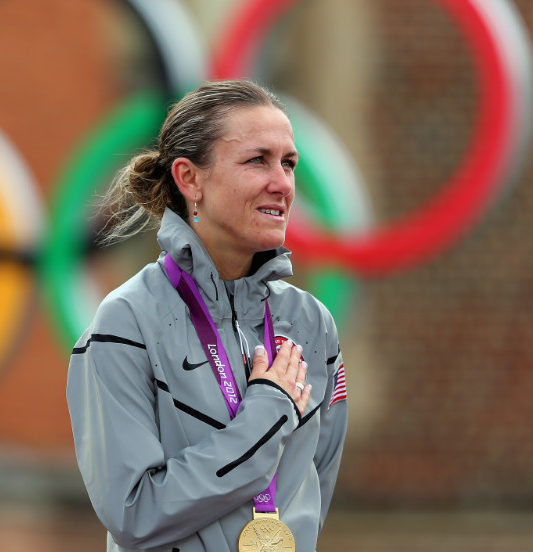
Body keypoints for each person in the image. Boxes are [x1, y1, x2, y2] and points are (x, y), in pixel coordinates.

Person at [66, 80, 348, 552]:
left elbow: (311, 492)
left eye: (289, 163)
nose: (281, 182)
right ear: (189, 179)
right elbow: (136, 513)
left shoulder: (311, 323)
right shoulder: (126, 322)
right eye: (257, 160)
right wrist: (268, 414)